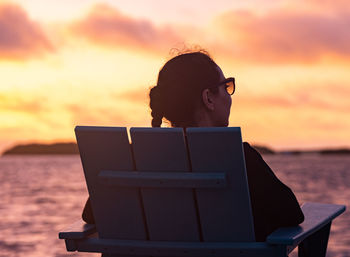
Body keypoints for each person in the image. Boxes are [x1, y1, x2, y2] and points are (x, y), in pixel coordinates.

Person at [82, 50, 304, 242]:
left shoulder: (132, 159)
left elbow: (92, 214)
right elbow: (291, 215)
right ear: (208, 98)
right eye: (226, 86)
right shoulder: (240, 158)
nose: (229, 96)